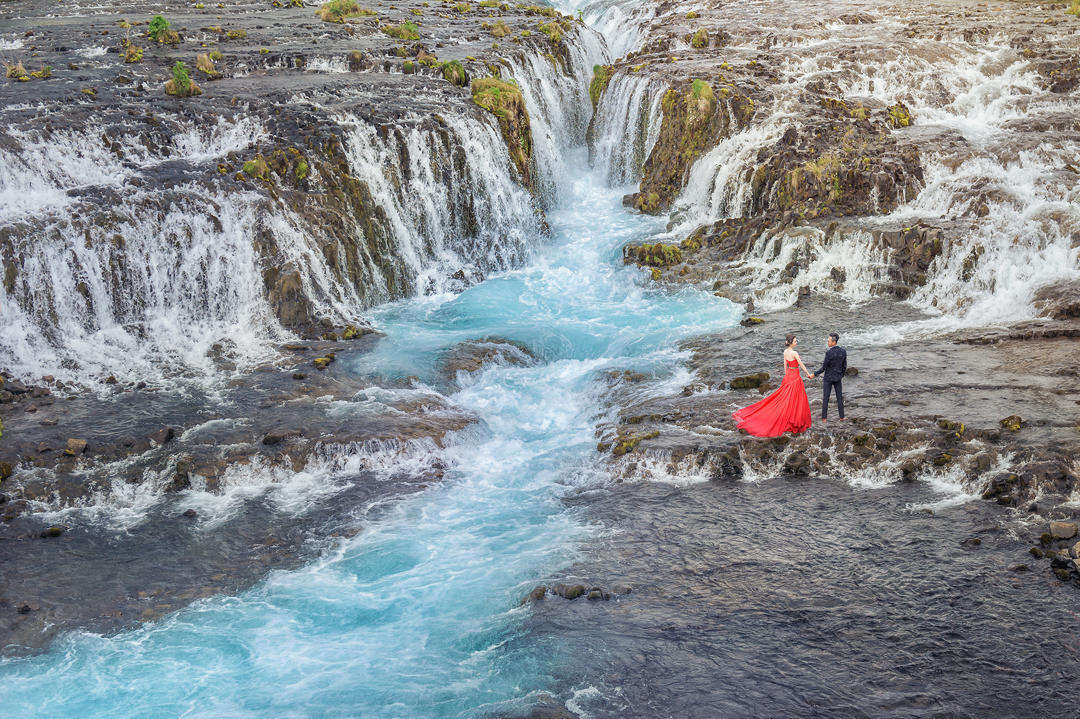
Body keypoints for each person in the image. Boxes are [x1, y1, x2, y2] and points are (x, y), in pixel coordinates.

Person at [731, 333, 813, 437]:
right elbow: (801, 365)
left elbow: (785, 366)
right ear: (791, 343)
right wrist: (808, 374)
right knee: (795, 399)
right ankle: (794, 420)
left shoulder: (785, 352)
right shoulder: (795, 353)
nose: (797, 342)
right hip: (795, 378)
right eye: (795, 341)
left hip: (788, 376)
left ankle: (788, 417)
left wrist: (786, 376)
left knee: (785, 399)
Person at [812, 332, 847, 422]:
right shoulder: (843, 351)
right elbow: (844, 367)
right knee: (839, 398)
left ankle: (824, 418)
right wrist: (840, 375)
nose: (827, 342)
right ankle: (842, 417)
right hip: (838, 378)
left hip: (828, 378)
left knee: (826, 398)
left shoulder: (829, 353)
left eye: (829, 341)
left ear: (834, 342)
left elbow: (824, 368)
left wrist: (814, 374)